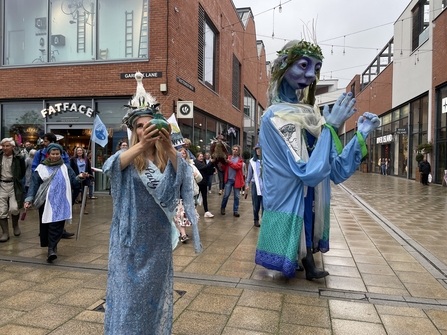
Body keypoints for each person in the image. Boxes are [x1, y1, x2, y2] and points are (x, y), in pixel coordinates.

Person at [255, 39, 380, 280]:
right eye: (303, 65)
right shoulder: (274, 116)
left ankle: (305, 261)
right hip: (291, 189)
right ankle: (301, 261)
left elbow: (335, 170)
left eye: (316, 68)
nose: (311, 75)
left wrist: (360, 134)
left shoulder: (311, 113)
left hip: (310, 189)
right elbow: (307, 172)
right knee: (299, 221)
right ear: (284, 66)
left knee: (308, 221)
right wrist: (330, 126)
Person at [102, 77, 201, 334]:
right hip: (128, 242)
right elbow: (109, 167)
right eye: (140, 126)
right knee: (128, 299)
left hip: (157, 243)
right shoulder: (127, 158)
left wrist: (168, 147)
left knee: (151, 301)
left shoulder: (164, 160)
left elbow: (183, 179)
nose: (146, 129)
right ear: (134, 131)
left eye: (150, 125)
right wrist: (141, 147)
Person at [24, 143, 83, 262]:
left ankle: (52, 249)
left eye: (57, 154)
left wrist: (80, 177)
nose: (55, 156)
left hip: (61, 202)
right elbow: (34, 184)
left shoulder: (66, 167)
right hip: (45, 202)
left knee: (56, 226)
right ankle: (50, 246)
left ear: (61, 154)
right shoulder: (41, 168)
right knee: (46, 224)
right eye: (53, 154)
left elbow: (74, 182)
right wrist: (29, 199)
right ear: (48, 155)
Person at [31, 133, 74, 238]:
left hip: (59, 190)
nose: (43, 143)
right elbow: (35, 169)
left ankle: (59, 232)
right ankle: (46, 234)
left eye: (45, 141)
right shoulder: (40, 153)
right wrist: (43, 175)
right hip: (45, 188)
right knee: (46, 213)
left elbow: (68, 170)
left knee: (58, 212)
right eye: (52, 154)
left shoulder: (63, 156)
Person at [0, 138, 26, 242]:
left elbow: (22, 172)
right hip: (1, 185)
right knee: (1, 211)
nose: (5, 148)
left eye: (7, 146)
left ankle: (15, 225)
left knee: (14, 208)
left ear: (12, 147)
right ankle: (5, 233)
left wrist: (18, 180)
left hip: (14, 185)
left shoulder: (18, 158)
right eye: (3, 146)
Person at [175, 148, 202, 242]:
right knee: (180, 214)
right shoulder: (173, 166)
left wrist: (196, 175)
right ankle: (183, 234)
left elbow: (200, 178)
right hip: (177, 195)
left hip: (190, 194)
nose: (182, 154)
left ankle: (181, 232)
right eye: (180, 153)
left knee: (188, 214)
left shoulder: (191, 166)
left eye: (184, 153)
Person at [220, 145, 244, 217]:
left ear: (238, 151)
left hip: (236, 180)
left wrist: (229, 162)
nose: (235, 151)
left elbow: (237, 167)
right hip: (229, 180)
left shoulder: (240, 160)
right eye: (234, 149)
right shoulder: (228, 157)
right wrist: (221, 165)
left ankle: (235, 211)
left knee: (237, 196)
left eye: (236, 150)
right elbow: (225, 167)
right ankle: (223, 207)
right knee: (226, 195)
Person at [70, 146, 92, 214]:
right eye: (78, 150)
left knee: (84, 195)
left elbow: (89, 169)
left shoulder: (86, 159)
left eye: (81, 150)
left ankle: (83, 208)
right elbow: (71, 169)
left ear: (83, 152)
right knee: (75, 194)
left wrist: (90, 176)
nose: (79, 152)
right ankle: (70, 207)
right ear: (76, 152)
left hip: (85, 179)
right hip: (77, 179)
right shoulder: (73, 159)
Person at [245, 143, 263, 227]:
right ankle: (256, 220)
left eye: (260, 149)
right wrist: (247, 184)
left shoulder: (266, 160)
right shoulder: (252, 161)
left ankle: (264, 220)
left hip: (265, 186)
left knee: (265, 204)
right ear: (255, 150)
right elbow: (249, 174)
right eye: (257, 149)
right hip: (255, 185)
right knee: (256, 204)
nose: (258, 150)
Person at [194, 152, 215, 218]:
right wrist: (211, 162)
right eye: (200, 156)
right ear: (197, 157)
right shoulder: (196, 162)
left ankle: (206, 211)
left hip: (203, 183)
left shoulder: (203, 162)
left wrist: (212, 165)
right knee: (196, 198)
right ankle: (193, 211)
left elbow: (208, 170)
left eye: (202, 156)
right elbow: (203, 167)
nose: (201, 157)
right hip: (198, 183)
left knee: (204, 197)